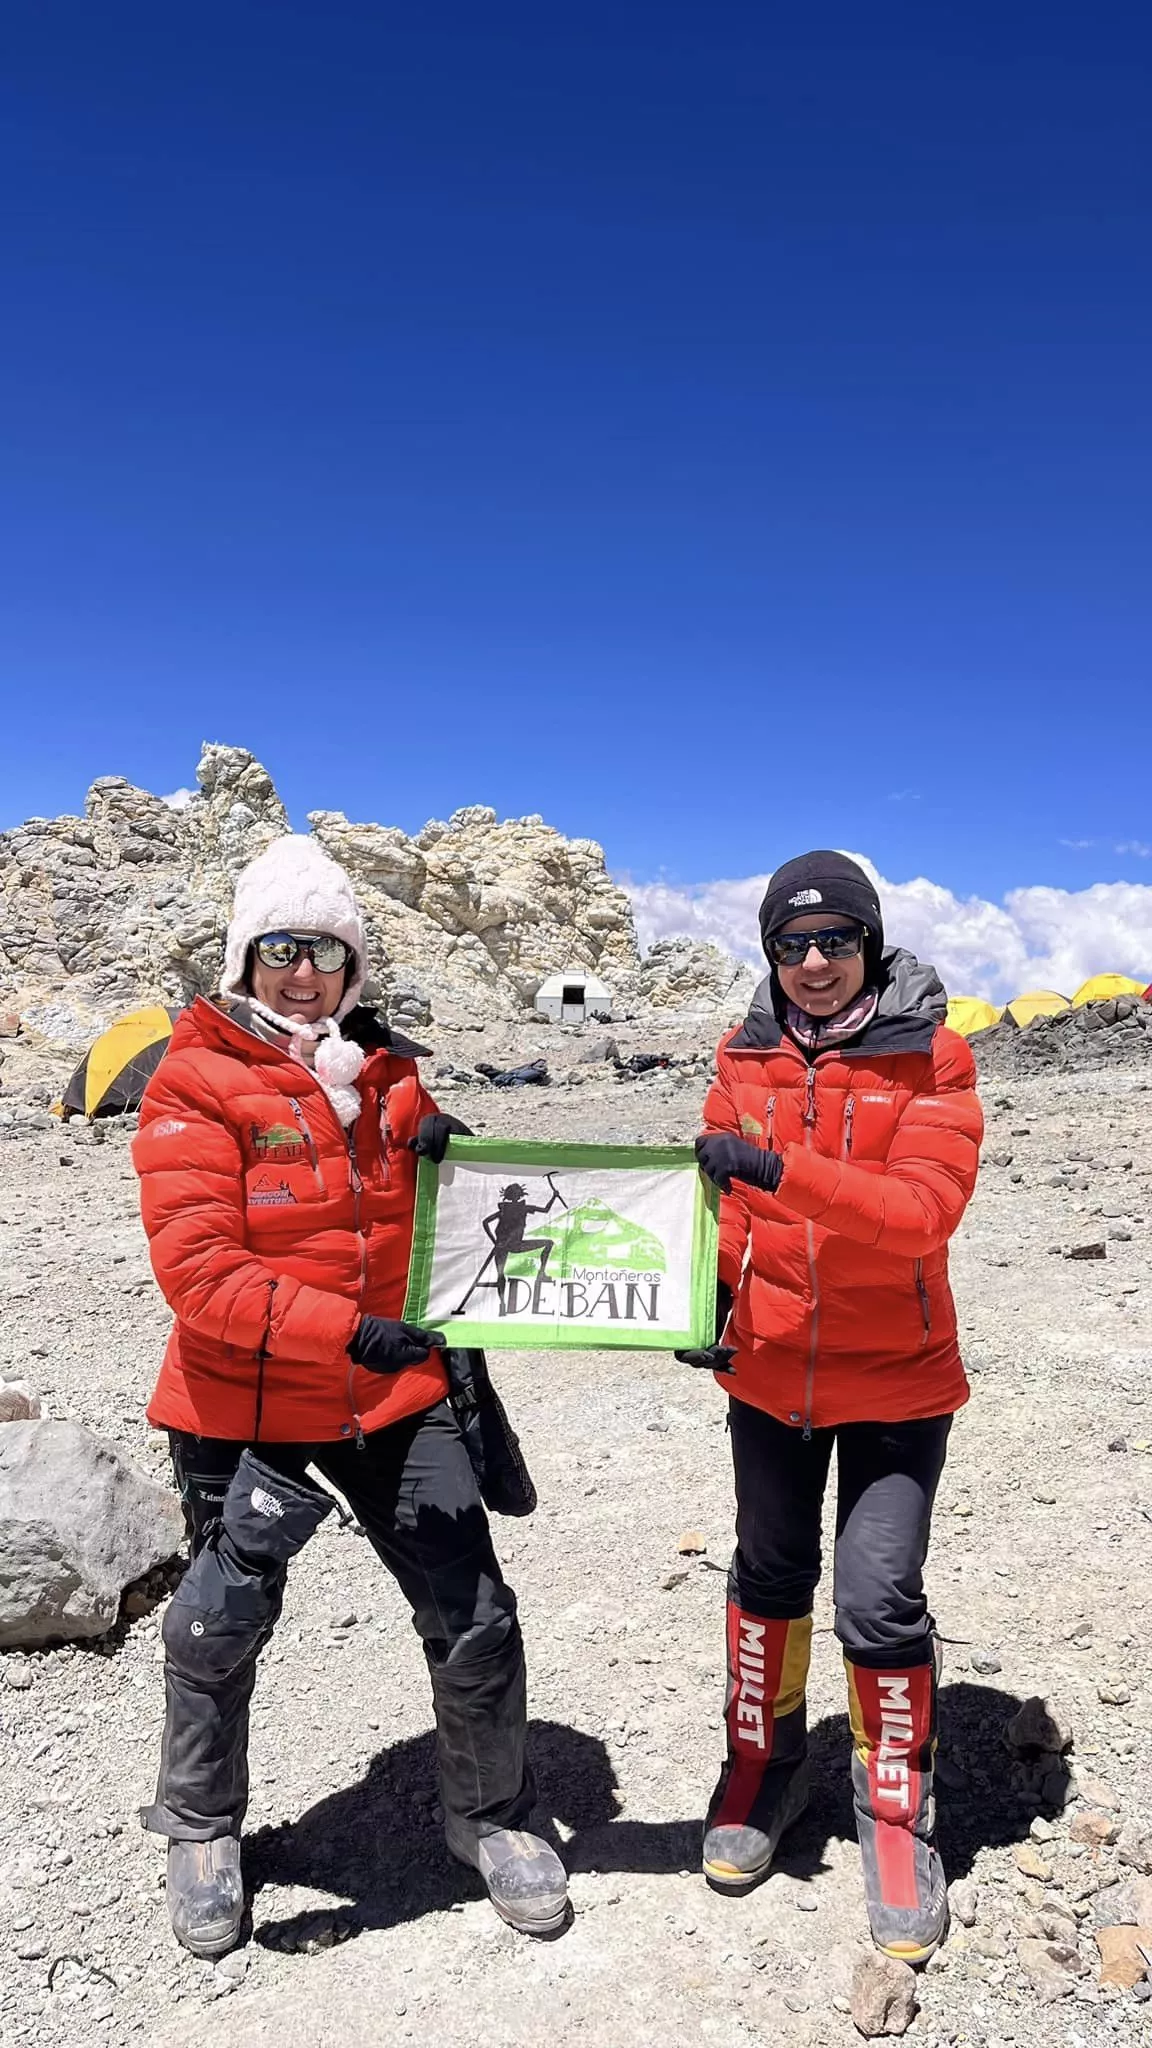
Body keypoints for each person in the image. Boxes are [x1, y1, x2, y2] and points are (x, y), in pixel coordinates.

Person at [133, 834, 567, 1958]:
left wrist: (448, 1159)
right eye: (281, 947)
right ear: (245, 956)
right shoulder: (191, 1080)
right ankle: (201, 1828)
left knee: (474, 1609)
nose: (303, 971)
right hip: (246, 1400)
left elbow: (441, 1226)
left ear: (352, 967)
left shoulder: (385, 1071)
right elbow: (201, 1274)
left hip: (392, 1393)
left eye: (325, 951)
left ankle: (492, 1815)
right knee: (221, 1619)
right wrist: (348, 1328)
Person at [684, 851, 982, 1963]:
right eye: (792, 944)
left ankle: (896, 1815)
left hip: (898, 1377)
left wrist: (780, 1168)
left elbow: (919, 1214)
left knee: (879, 1598)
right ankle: (762, 1766)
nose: (814, 962)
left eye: (835, 940)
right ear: (770, 953)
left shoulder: (934, 1055)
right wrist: (705, 1298)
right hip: (770, 1374)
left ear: (870, 943)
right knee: (767, 1573)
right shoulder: (742, 1055)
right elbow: (722, 1206)